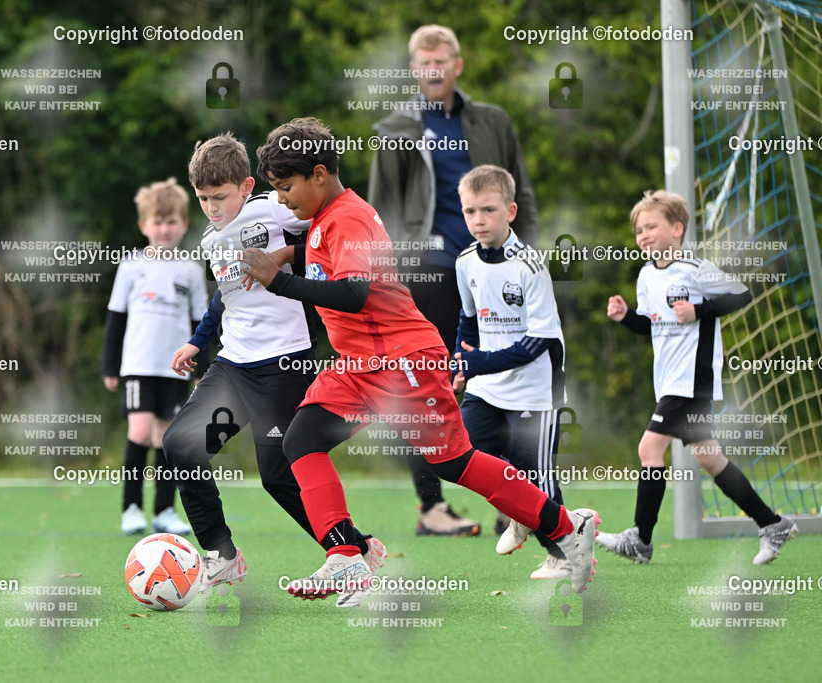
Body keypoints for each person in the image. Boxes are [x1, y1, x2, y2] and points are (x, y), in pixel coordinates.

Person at [242, 117, 597, 608]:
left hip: (403, 359)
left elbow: (352, 292)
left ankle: (564, 525)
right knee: (301, 439)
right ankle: (347, 553)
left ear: (319, 174)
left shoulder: (348, 216)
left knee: (453, 463)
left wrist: (278, 280)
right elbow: (323, 253)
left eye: (286, 187)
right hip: (361, 365)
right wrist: (288, 253)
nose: (281, 199)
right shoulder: (331, 218)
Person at [161, 133, 385, 593]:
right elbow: (224, 299)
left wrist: (290, 258)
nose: (211, 207)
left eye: (219, 197)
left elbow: (326, 236)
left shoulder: (277, 208)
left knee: (280, 475)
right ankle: (223, 557)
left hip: (282, 363)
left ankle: (354, 549)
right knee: (180, 446)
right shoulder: (209, 238)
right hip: (232, 366)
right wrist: (197, 342)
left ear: (246, 186)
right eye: (202, 198)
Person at [368, 25, 539, 536]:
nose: (434, 69)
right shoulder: (392, 129)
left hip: (494, 269)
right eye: (424, 62)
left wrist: (526, 256)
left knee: (502, 377)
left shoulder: (493, 121)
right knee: (425, 383)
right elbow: (382, 210)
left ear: (457, 65)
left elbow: (521, 192)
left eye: (442, 60)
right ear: (414, 69)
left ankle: (515, 497)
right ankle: (432, 506)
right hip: (428, 273)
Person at [598, 190, 797, 565]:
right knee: (711, 459)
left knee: (649, 450)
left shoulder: (694, 269)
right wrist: (626, 317)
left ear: (676, 228)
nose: (643, 235)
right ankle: (772, 524)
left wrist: (700, 309)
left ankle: (640, 539)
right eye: (639, 230)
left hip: (691, 381)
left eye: (651, 226)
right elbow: (651, 325)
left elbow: (742, 294)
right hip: (672, 381)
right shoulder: (644, 276)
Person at [451, 165, 571, 580]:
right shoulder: (465, 261)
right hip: (487, 387)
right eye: (470, 212)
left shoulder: (530, 266)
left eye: (488, 210)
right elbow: (468, 320)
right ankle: (518, 507)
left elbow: (539, 342)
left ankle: (564, 554)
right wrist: (458, 362)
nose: (478, 220)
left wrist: (476, 363)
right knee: (461, 449)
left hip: (535, 391)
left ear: (511, 211)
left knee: (540, 479)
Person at [102, 178, 206, 536]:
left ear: (184, 224)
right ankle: (131, 508)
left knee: (166, 440)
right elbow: (116, 319)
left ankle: (164, 510)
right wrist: (110, 365)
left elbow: (200, 323)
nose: (164, 229)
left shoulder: (191, 270)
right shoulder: (131, 266)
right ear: (144, 225)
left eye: (171, 221)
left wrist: (200, 371)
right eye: (157, 222)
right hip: (137, 368)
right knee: (140, 431)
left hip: (175, 370)